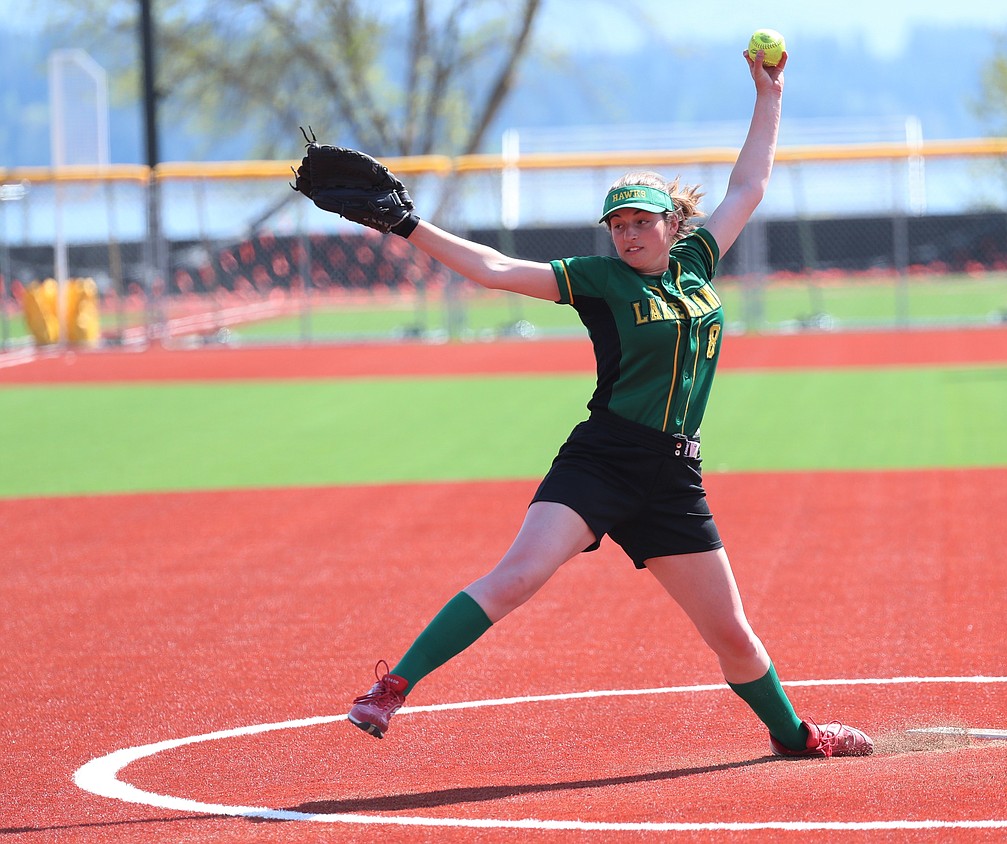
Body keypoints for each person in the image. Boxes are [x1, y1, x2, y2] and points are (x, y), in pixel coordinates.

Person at [345, 46, 874, 760]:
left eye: (639, 222)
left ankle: (794, 735)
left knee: (732, 634)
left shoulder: (696, 262)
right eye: (617, 225)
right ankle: (391, 689)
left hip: (672, 478)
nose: (626, 234)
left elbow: (748, 185)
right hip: (603, 458)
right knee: (520, 575)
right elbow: (497, 269)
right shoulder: (598, 280)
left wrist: (769, 95)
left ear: (670, 224)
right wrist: (408, 226)